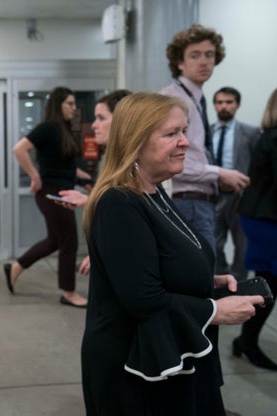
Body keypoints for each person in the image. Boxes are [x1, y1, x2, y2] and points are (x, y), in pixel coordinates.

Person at [80, 92, 263, 415]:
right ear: (136, 141)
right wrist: (213, 310)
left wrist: (208, 281)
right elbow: (143, 297)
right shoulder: (119, 203)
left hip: (165, 351)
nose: (185, 143)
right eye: (171, 134)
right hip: (132, 367)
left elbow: (162, 263)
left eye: (184, 131)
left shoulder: (153, 191)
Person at [160, 24, 250, 255]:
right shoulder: (174, 99)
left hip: (199, 201)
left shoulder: (194, 97)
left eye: (209, 55)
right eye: (195, 55)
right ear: (180, 62)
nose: (204, 62)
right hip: (187, 201)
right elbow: (169, 159)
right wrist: (220, 173)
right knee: (201, 278)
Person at [4, 86, 90, 307]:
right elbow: (19, 149)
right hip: (52, 192)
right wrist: (35, 176)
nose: (73, 108)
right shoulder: (49, 128)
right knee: (69, 240)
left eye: (74, 104)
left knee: (56, 240)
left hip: (63, 189)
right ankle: (68, 292)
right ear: (58, 105)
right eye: (69, 103)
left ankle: (17, 266)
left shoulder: (64, 129)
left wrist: (86, 180)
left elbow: (64, 166)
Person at [233, 83, 277, 371]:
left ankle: (246, 341)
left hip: (268, 220)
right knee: (269, 285)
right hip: (271, 223)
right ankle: (247, 342)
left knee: (271, 283)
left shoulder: (274, 135)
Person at [57, 89, 132, 276]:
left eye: (101, 118)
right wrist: (87, 199)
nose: (94, 125)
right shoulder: (114, 159)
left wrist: (106, 248)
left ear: (122, 120)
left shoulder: (131, 163)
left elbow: (130, 216)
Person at [211, 87, 259, 280]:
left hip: (241, 197)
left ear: (237, 105)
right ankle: (222, 279)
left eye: (229, 102)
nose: (224, 106)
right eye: (220, 102)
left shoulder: (251, 132)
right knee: (212, 242)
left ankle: (239, 284)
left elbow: (258, 166)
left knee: (243, 245)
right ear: (215, 105)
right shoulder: (207, 132)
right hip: (212, 195)